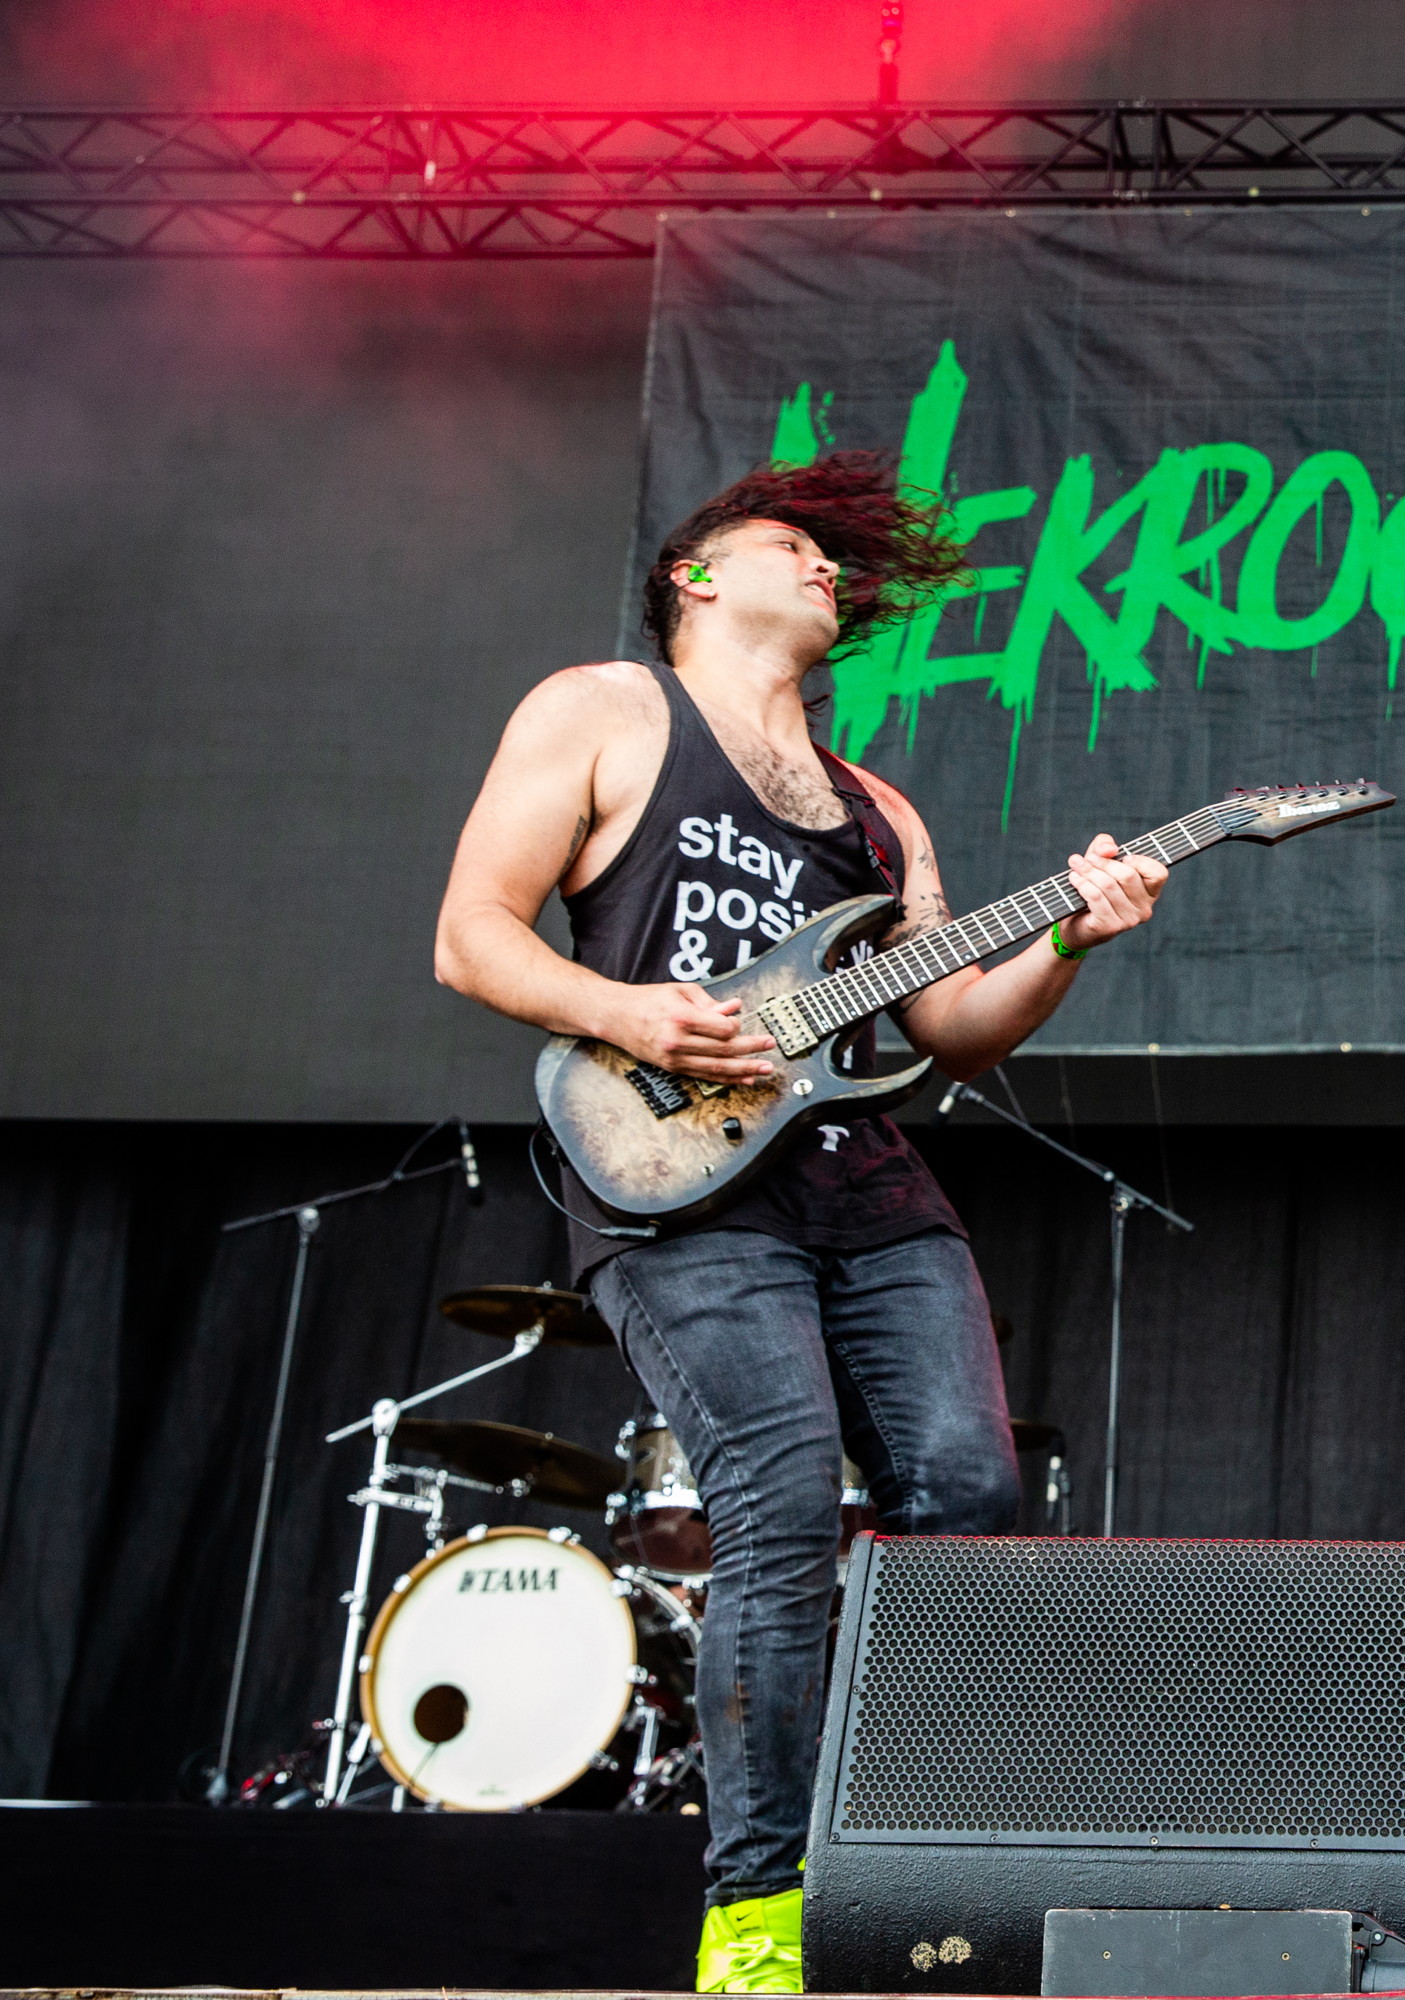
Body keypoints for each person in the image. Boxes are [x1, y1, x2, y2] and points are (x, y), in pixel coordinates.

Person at [434, 452, 1169, 1993]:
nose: (827, 568)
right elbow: (473, 936)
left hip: (868, 1187)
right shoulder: (605, 712)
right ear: (696, 576)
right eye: (792, 546)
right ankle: (759, 1916)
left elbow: (954, 1030)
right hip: (681, 1184)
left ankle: (902, 1869)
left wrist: (1068, 943)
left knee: (969, 1494)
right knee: (774, 1506)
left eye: (834, 557)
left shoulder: (879, 813)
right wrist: (630, 1009)